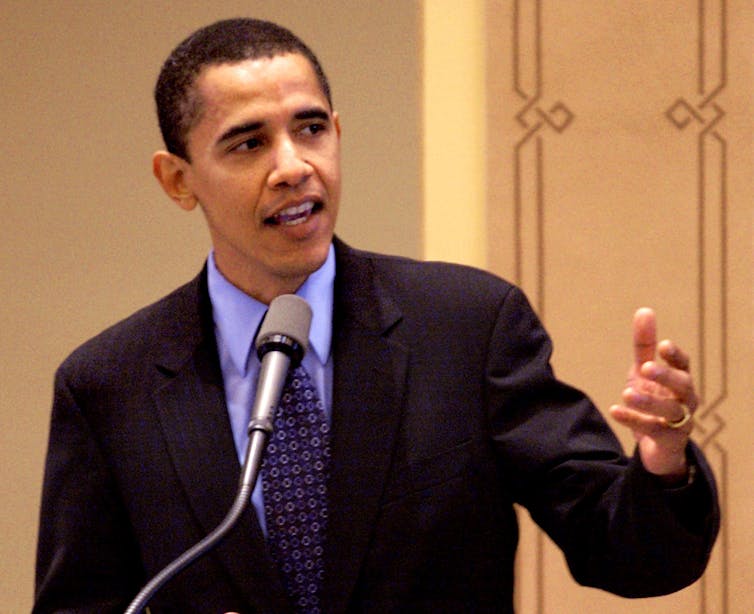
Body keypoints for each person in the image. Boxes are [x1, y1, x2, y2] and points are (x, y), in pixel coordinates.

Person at [34, 18, 719, 614]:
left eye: (309, 129)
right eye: (248, 144)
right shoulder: (109, 386)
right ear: (177, 179)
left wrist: (662, 465)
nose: (293, 166)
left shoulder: (468, 328)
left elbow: (628, 554)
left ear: (337, 133)